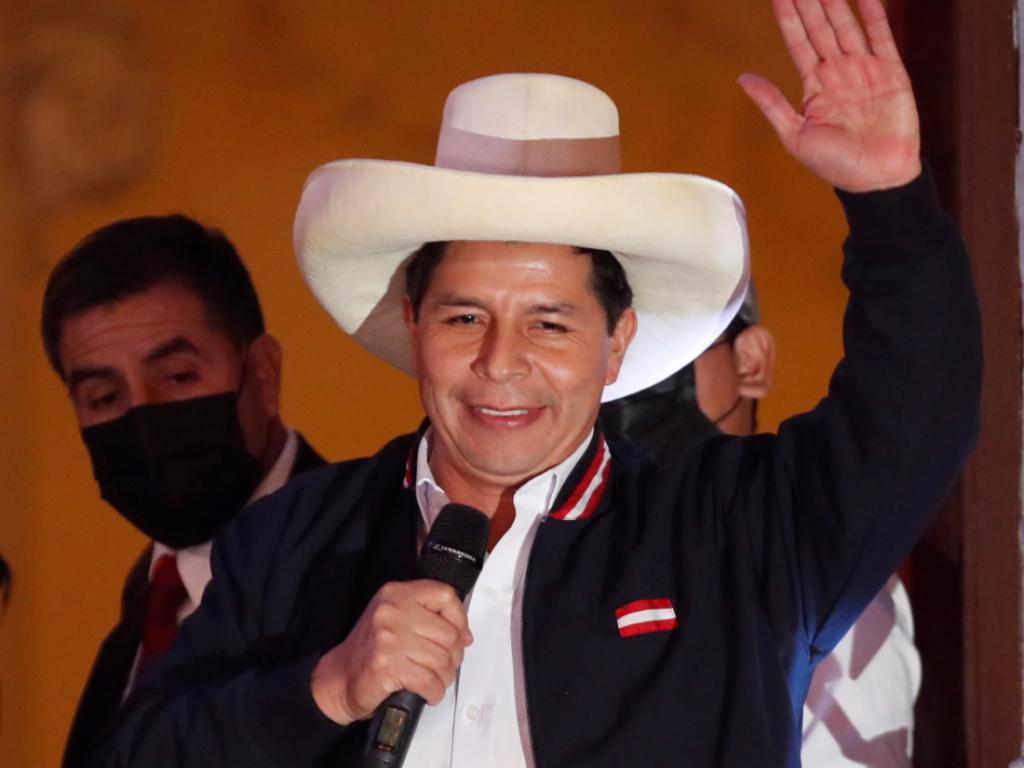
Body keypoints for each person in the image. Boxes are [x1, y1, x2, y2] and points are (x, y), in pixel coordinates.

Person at [97, 1, 981, 766]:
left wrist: (891, 204)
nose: (501, 361)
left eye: (550, 323)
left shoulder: (734, 527)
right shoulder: (291, 540)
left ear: (617, 342)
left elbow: (913, 416)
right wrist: (326, 689)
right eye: (463, 317)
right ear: (413, 324)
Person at [40, 214, 326, 768]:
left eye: (177, 377)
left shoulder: (370, 557)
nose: (144, 423)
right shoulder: (147, 604)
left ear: (262, 374)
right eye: (104, 398)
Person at [600, 288, 921, 766]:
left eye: (668, 349)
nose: (634, 377)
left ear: (750, 362)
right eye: (611, 350)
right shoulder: (568, 544)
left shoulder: (814, 560)